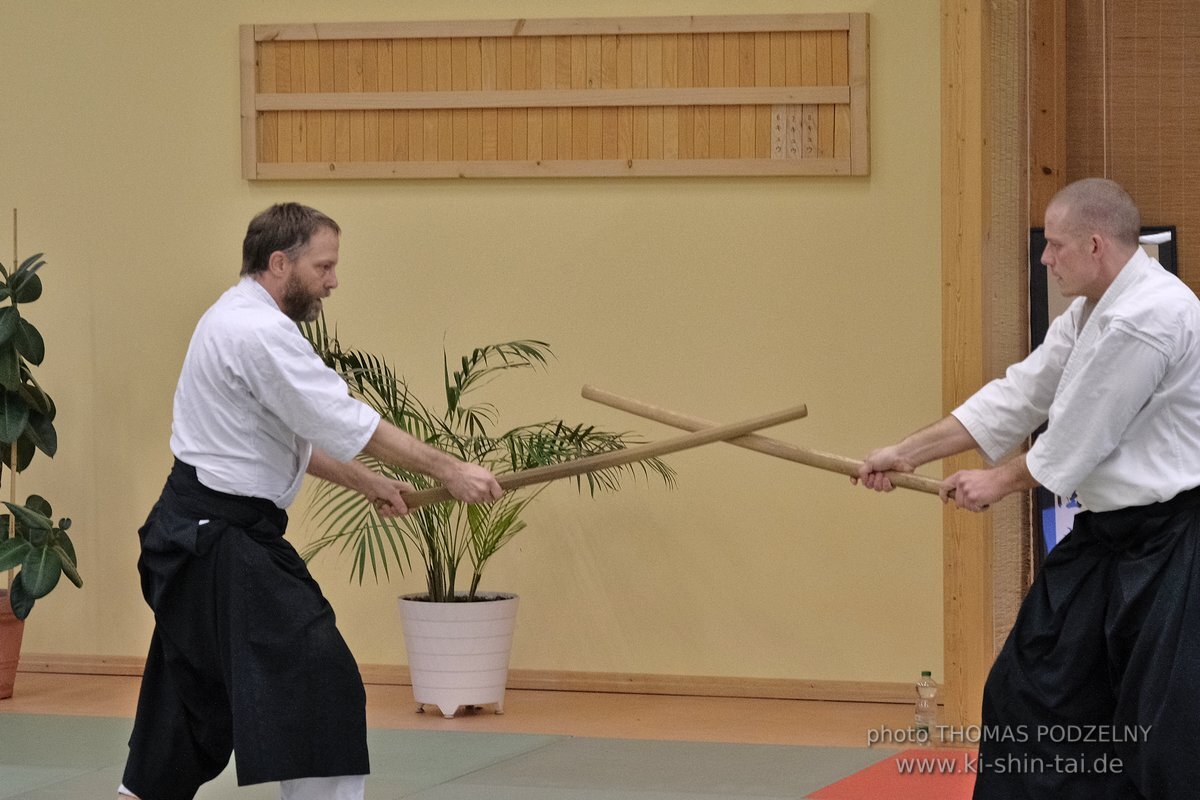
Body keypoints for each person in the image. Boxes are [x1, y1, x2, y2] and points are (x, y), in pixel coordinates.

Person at [119, 203, 503, 800]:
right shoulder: (258, 333)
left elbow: (281, 437)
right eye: (323, 266)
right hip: (219, 540)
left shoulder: (237, 316)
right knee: (320, 679)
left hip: (199, 533)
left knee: (189, 697)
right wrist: (450, 470)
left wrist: (368, 482)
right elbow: (347, 420)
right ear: (280, 263)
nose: (333, 281)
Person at [855, 178, 1200, 799]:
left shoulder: (1150, 317)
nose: (1045, 257)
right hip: (1107, 538)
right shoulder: (1089, 313)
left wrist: (1000, 480)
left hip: (1173, 542)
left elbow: (1080, 434)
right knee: (1029, 686)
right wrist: (902, 453)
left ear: (1095, 245)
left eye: (1056, 246)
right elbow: (1017, 395)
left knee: (1159, 728)